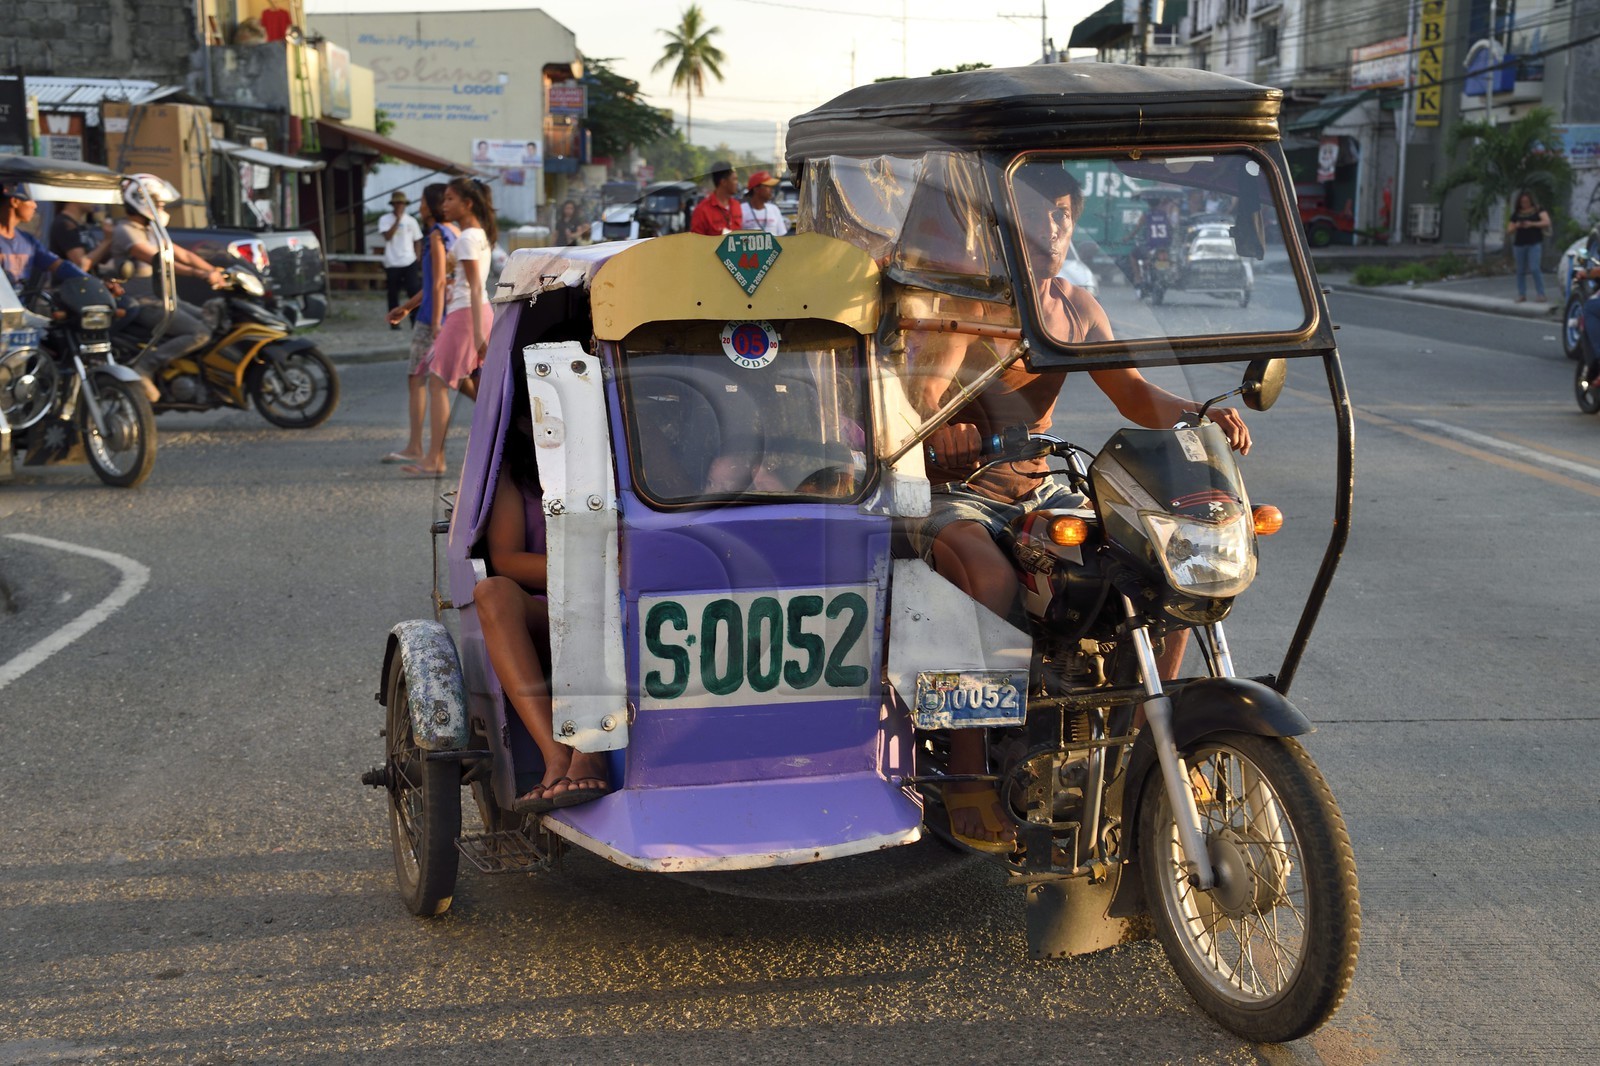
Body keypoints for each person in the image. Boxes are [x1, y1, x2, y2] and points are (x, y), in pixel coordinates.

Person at [908, 166, 1250, 853]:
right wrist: (939, 428)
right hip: (953, 493)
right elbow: (918, 403)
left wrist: (1202, 415)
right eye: (1041, 213)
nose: (1056, 229)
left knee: (1160, 563)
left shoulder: (1074, 307)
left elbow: (1134, 394)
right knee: (990, 580)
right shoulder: (965, 306)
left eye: (1066, 214)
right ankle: (970, 770)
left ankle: (1141, 743)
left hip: (1041, 488)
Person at [474, 357, 610, 812]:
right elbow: (507, 560)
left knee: (596, 599)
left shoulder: (618, 457)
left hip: (621, 604)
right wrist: (581, 570)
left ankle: (591, 753)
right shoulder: (516, 477)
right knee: (492, 592)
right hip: (548, 608)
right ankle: (557, 755)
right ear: (520, 422)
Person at [403, 176, 496, 479]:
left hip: (466, 316)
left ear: (467, 204)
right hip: (473, 314)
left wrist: (479, 335)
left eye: (450, 199)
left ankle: (434, 458)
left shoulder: (468, 237)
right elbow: (454, 282)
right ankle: (500, 441)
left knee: (438, 381)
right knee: (477, 388)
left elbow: (474, 286)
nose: (444, 205)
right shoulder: (474, 235)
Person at [106, 174, 224, 400]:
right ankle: (145, 366)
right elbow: (159, 259)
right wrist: (198, 274)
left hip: (166, 297)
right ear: (141, 202)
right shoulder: (126, 231)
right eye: (157, 203)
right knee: (199, 333)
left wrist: (212, 270)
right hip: (145, 302)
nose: (161, 208)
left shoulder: (151, 230)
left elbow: (184, 254)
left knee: (212, 315)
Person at [384, 183, 458, 465]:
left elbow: (438, 283)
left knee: (420, 379)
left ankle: (421, 449)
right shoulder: (454, 233)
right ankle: (425, 451)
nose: (420, 204)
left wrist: (435, 321)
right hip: (446, 314)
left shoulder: (437, 236)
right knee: (457, 383)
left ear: (432, 205)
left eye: (424, 200)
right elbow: (435, 283)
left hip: (432, 319)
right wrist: (405, 308)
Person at [378, 190, 423, 330]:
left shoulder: (411, 221)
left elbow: (417, 240)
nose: (399, 206)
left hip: (409, 261)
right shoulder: (385, 219)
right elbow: (387, 237)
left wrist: (417, 258)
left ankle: (414, 320)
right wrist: (397, 220)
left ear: (405, 205)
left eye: (401, 203)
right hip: (392, 261)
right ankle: (394, 321)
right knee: (393, 292)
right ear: (393, 204)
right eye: (396, 203)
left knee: (413, 291)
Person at [1506, 190, 1550, 303]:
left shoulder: (1538, 210)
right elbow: (1509, 230)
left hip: (1534, 243)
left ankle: (1541, 294)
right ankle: (1522, 294)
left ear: (1531, 201)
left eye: (1526, 201)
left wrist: (1532, 224)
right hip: (1520, 244)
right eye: (1522, 202)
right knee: (1520, 270)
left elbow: (1546, 222)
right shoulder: (1517, 213)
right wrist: (1517, 225)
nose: (1524, 203)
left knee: (1535, 268)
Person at [47, 201, 113, 272]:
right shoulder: (65, 225)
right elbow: (81, 265)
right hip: (72, 282)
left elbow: (100, 258)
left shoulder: (80, 224)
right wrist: (107, 241)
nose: (94, 200)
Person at [689, 161, 746, 235]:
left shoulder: (736, 205)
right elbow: (696, 242)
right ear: (723, 182)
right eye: (734, 179)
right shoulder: (702, 210)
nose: (737, 183)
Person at [741, 171, 789, 237]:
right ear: (756, 189)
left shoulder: (774, 209)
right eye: (767, 186)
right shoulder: (741, 210)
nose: (771, 190)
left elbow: (782, 236)